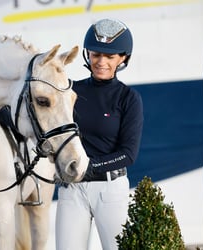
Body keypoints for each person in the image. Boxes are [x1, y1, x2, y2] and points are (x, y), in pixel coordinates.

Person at [55, 18, 144, 250]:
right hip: (71, 188)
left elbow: (128, 154)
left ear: (122, 58)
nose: (101, 61)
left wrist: (87, 166)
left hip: (110, 190)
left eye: (109, 56)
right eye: (96, 54)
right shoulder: (70, 91)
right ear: (88, 54)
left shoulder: (128, 98)